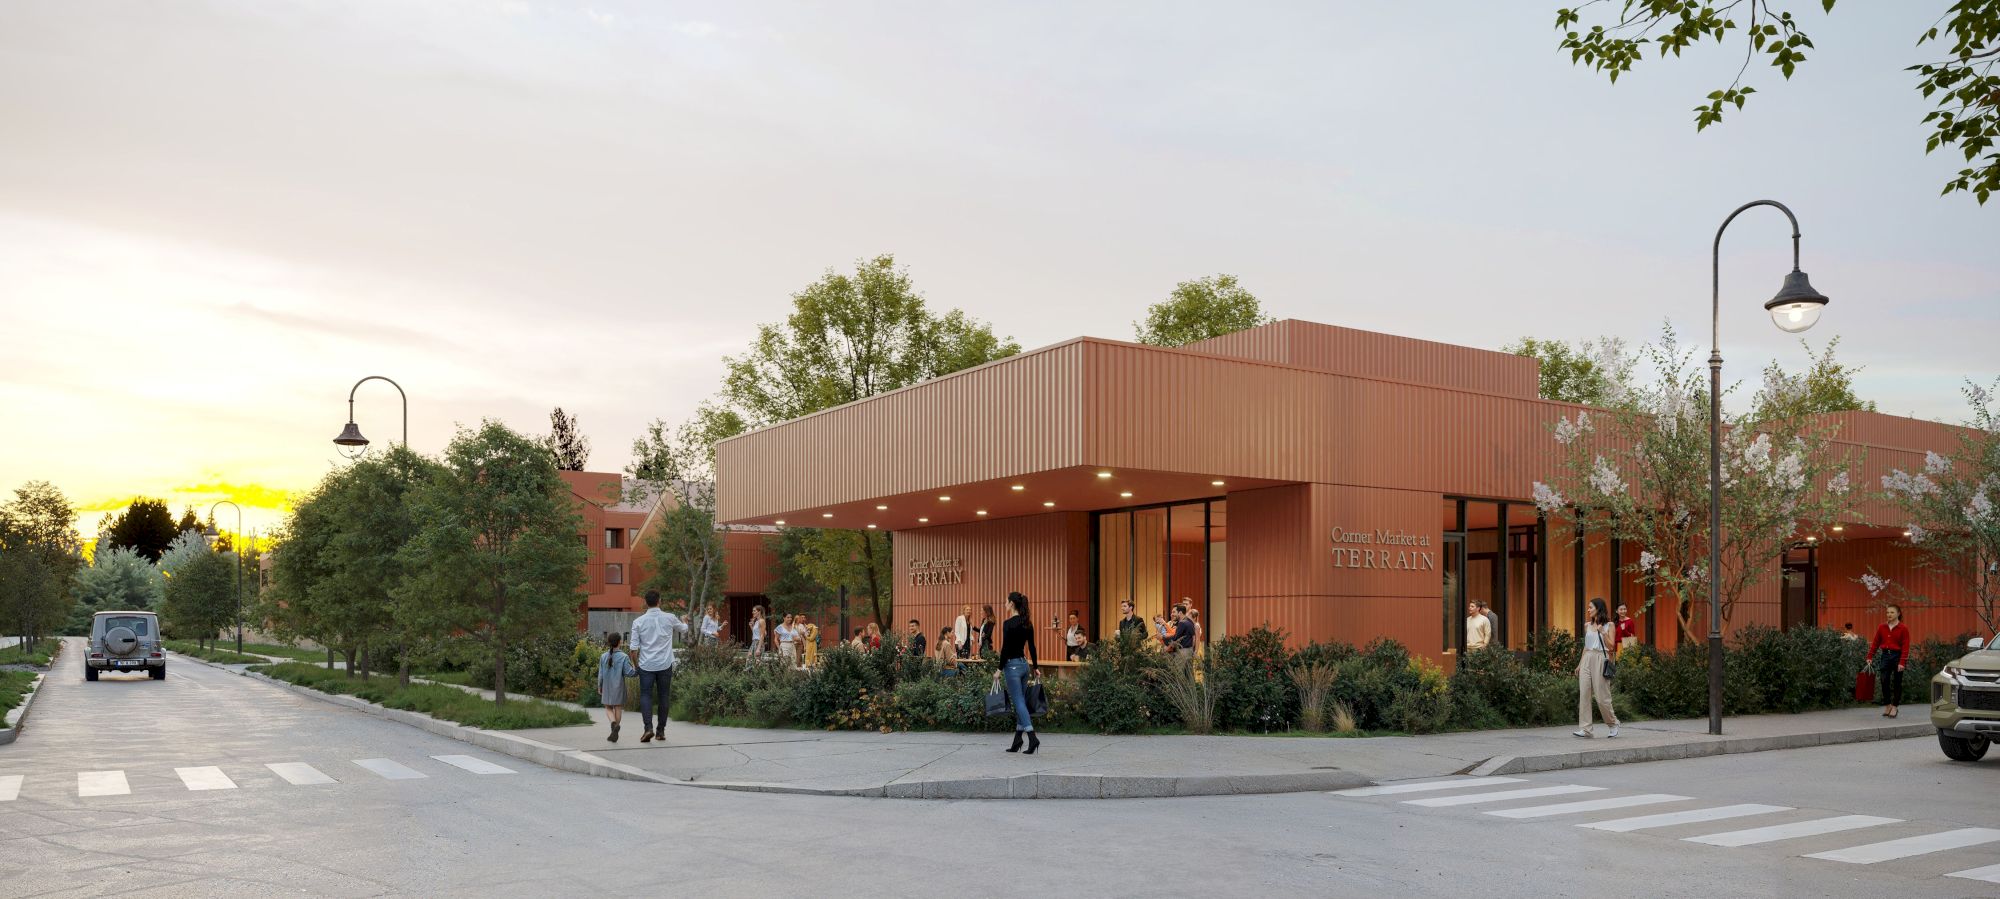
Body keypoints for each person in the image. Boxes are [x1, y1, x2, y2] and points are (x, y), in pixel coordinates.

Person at [628, 590, 689, 743]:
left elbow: (633, 650)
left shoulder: (638, 622)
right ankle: (660, 731)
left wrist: (636, 667)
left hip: (646, 665)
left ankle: (648, 728)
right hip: (665, 664)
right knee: (663, 696)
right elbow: (684, 629)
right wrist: (685, 621)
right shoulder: (669, 618)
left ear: (645, 602)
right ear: (659, 601)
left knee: (646, 696)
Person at [998, 591, 1041, 754]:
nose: (1004, 604)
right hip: (1024, 665)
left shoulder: (1008, 623)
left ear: (1011, 604)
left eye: (1006, 601)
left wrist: (998, 669)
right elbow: (1032, 647)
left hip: (1013, 667)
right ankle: (1017, 739)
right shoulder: (1027, 623)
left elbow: (1005, 649)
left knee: (1019, 703)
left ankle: (1032, 737)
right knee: (1021, 702)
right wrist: (1035, 667)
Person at [1573, 598, 1620, 739]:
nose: (1588, 610)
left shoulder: (1609, 625)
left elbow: (1611, 647)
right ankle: (1586, 729)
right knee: (1585, 694)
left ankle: (1613, 723)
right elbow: (1586, 647)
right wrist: (1580, 664)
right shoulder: (1587, 625)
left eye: (1590, 607)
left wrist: (1603, 632)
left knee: (1602, 697)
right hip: (1587, 658)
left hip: (1601, 658)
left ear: (1598, 608)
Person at [1869, 604, 1911, 718]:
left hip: (1897, 656)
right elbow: (1876, 642)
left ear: (1898, 613)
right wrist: (1870, 656)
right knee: (1884, 680)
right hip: (1885, 656)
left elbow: (1906, 647)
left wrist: (1902, 662)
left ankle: (1895, 706)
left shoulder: (1903, 628)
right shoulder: (1882, 627)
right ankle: (1887, 705)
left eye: (1892, 612)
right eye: (1887, 612)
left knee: (1897, 682)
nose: (1889, 614)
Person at [596, 632, 637, 743]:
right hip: (619, 686)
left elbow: (600, 674)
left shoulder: (603, 656)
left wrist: (599, 686)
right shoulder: (623, 657)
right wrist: (636, 667)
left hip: (607, 686)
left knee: (608, 707)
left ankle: (613, 724)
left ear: (609, 643)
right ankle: (615, 727)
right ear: (620, 642)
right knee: (618, 708)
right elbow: (630, 673)